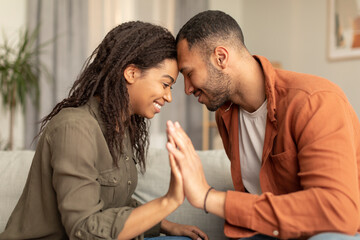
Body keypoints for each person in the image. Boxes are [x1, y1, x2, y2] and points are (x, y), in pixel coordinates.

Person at [0, 21, 208, 240]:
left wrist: (166, 226)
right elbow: (84, 229)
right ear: (131, 73)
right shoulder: (75, 128)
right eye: (165, 84)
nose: (168, 96)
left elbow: (114, 205)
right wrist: (169, 200)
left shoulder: (121, 128)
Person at [166, 10, 360, 240]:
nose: (187, 88)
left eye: (189, 73)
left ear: (221, 58)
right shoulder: (225, 116)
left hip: (329, 232)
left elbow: (338, 211)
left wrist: (209, 198)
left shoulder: (314, 100)